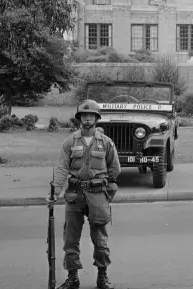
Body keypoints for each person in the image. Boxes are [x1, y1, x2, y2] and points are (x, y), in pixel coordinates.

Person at [46, 100, 120, 289]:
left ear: (96, 118)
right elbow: (62, 167)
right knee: (70, 239)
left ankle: (102, 277)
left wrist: (106, 188)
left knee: (100, 240)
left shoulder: (106, 142)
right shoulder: (70, 142)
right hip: (74, 194)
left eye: (91, 115)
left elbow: (114, 169)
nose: (88, 118)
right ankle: (73, 278)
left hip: (97, 194)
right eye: (84, 115)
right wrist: (54, 191)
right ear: (79, 118)